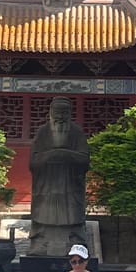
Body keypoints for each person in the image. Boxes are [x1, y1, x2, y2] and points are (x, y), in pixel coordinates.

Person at [29, 97, 90, 257]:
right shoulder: (43, 132)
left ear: (70, 114)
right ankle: (41, 242)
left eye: (65, 113)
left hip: (70, 183)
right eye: (57, 112)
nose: (61, 116)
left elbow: (85, 159)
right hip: (47, 184)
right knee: (44, 212)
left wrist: (64, 154)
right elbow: (33, 161)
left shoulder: (77, 132)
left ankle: (73, 242)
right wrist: (50, 156)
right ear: (50, 113)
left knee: (72, 213)